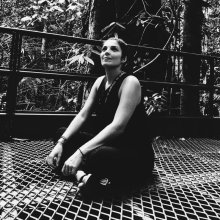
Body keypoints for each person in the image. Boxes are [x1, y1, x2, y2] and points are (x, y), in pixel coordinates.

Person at [46, 37, 155, 198]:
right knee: (62, 133)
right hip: (108, 145)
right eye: (104, 49)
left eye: (113, 49)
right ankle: (83, 176)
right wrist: (61, 142)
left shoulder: (130, 82)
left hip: (135, 155)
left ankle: (81, 173)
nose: (107, 52)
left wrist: (80, 153)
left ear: (123, 58)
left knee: (99, 155)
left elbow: (118, 127)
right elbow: (83, 115)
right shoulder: (99, 82)